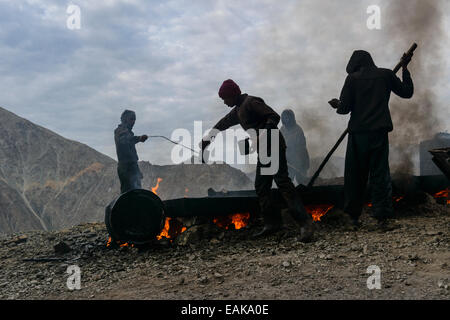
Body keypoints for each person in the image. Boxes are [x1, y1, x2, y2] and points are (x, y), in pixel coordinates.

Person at [201, 79, 314, 241]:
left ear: (233, 94)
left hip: (273, 145)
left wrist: (262, 134)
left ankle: (305, 223)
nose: (225, 102)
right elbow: (222, 124)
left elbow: (273, 116)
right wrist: (207, 139)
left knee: (283, 182)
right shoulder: (238, 110)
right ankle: (272, 224)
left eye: (225, 98)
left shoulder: (251, 102)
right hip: (264, 151)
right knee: (261, 185)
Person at [329, 50, 414, 228]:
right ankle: (382, 219)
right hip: (378, 133)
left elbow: (344, 109)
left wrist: (337, 104)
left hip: (358, 135)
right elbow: (407, 92)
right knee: (380, 175)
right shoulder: (385, 75)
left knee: (355, 176)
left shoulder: (352, 79)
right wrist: (405, 68)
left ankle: (353, 218)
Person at [114, 110, 148, 194]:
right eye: (132, 119)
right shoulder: (119, 131)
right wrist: (139, 138)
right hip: (126, 168)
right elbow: (125, 140)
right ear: (125, 119)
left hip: (132, 167)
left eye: (134, 120)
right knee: (128, 195)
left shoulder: (128, 133)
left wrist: (137, 170)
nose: (133, 122)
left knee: (137, 193)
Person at [280, 109, 310, 185]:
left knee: (302, 182)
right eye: (285, 118)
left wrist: (300, 163)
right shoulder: (282, 130)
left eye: (288, 117)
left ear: (292, 118)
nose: (287, 120)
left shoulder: (298, 130)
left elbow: (301, 148)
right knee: (288, 182)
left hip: (300, 160)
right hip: (288, 161)